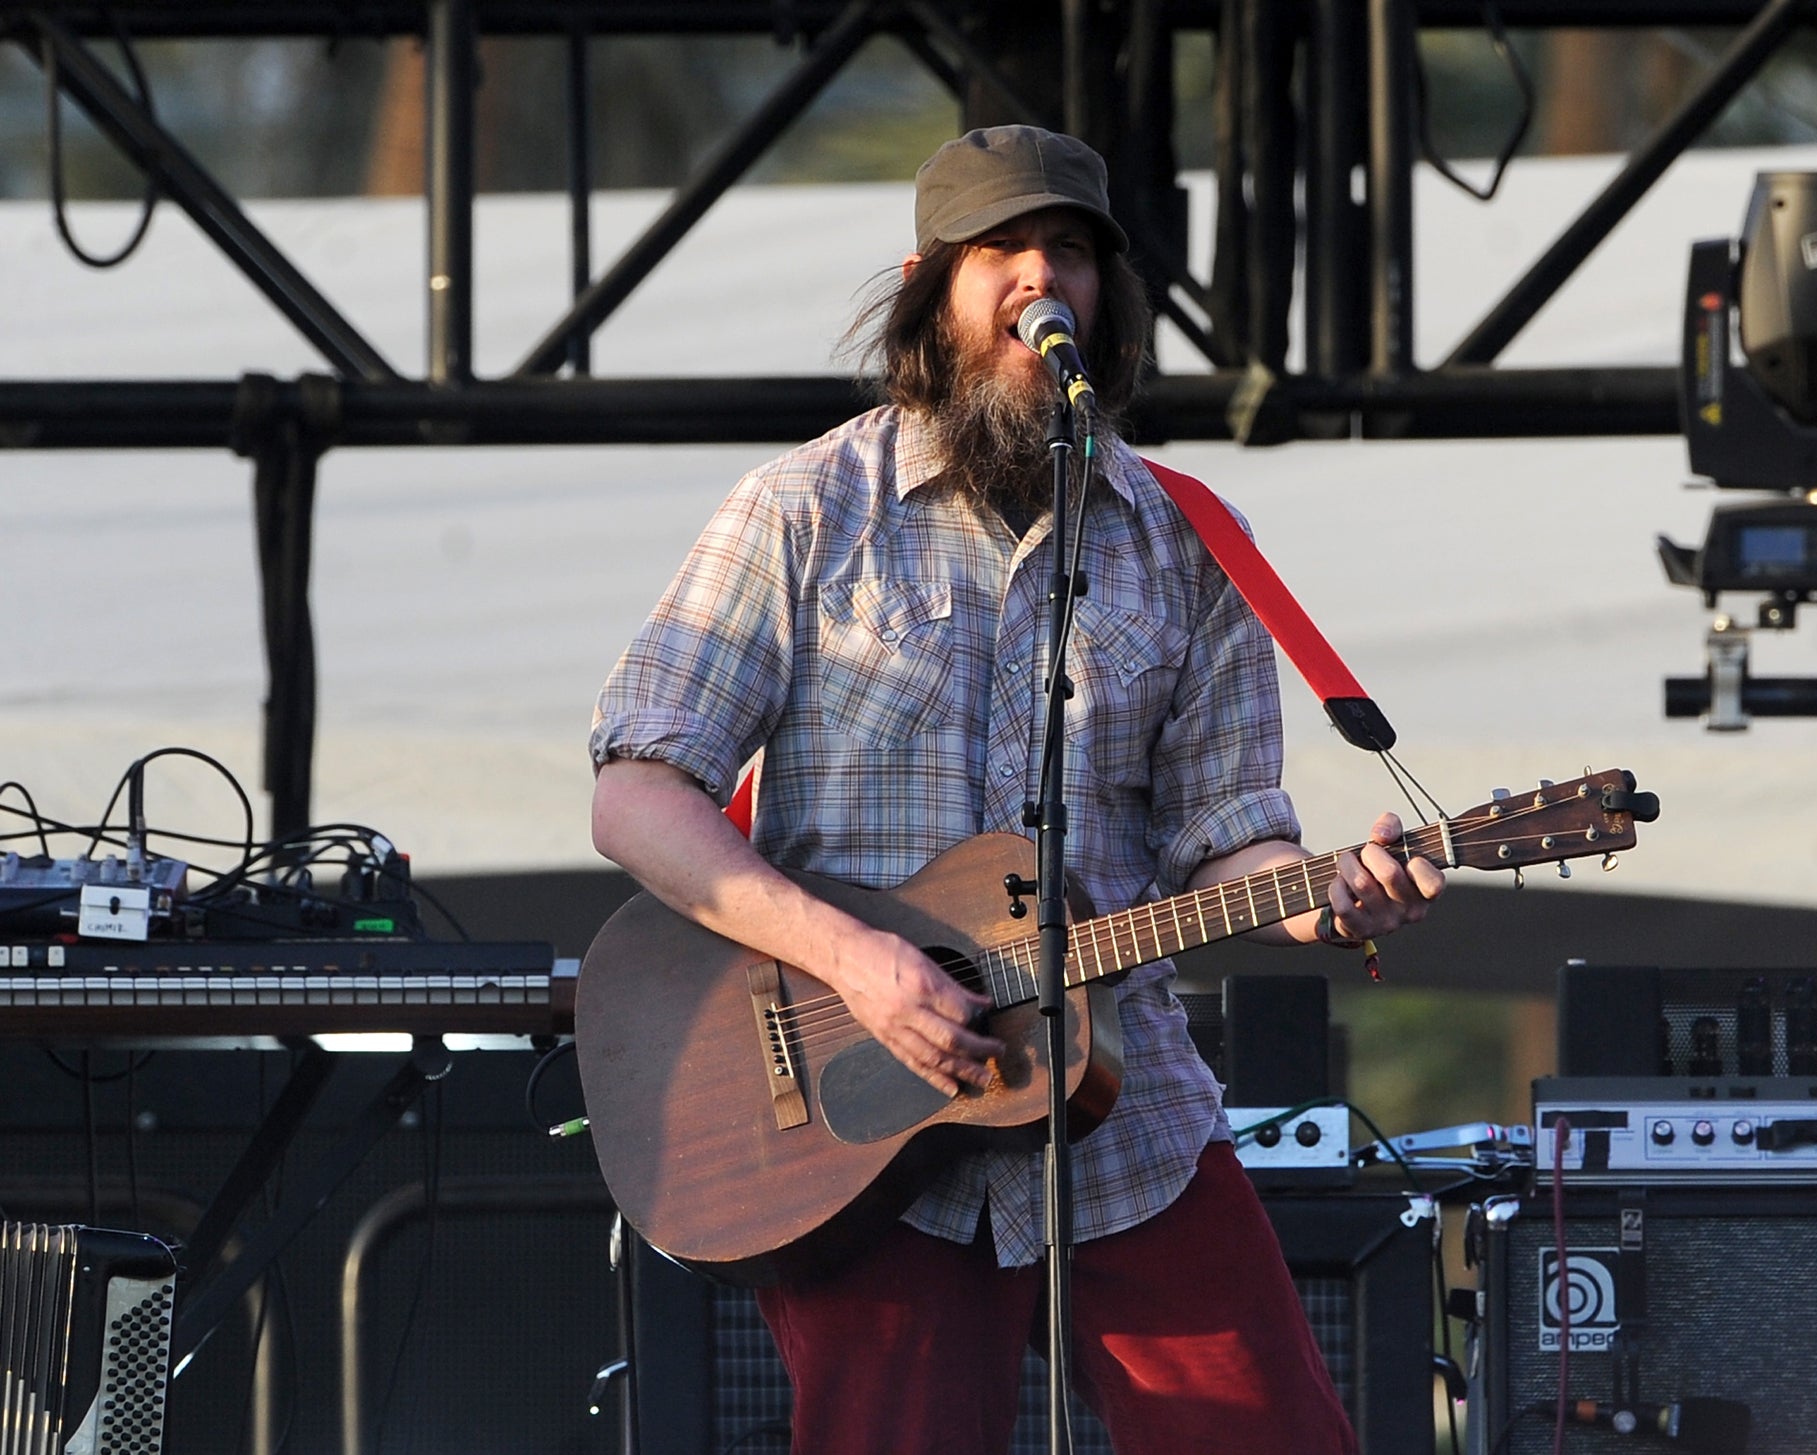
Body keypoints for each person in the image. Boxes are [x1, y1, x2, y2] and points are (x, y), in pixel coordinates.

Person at [588, 124, 1445, 1454]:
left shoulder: (1189, 542)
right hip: (851, 1120)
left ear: (1104, 297)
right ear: (934, 283)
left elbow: (1228, 842)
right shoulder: (805, 509)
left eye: (1069, 253)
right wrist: (859, 963)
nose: (1038, 277)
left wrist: (1328, 901)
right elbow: (638, 795)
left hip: (1124, 1112)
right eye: (1001, 250)